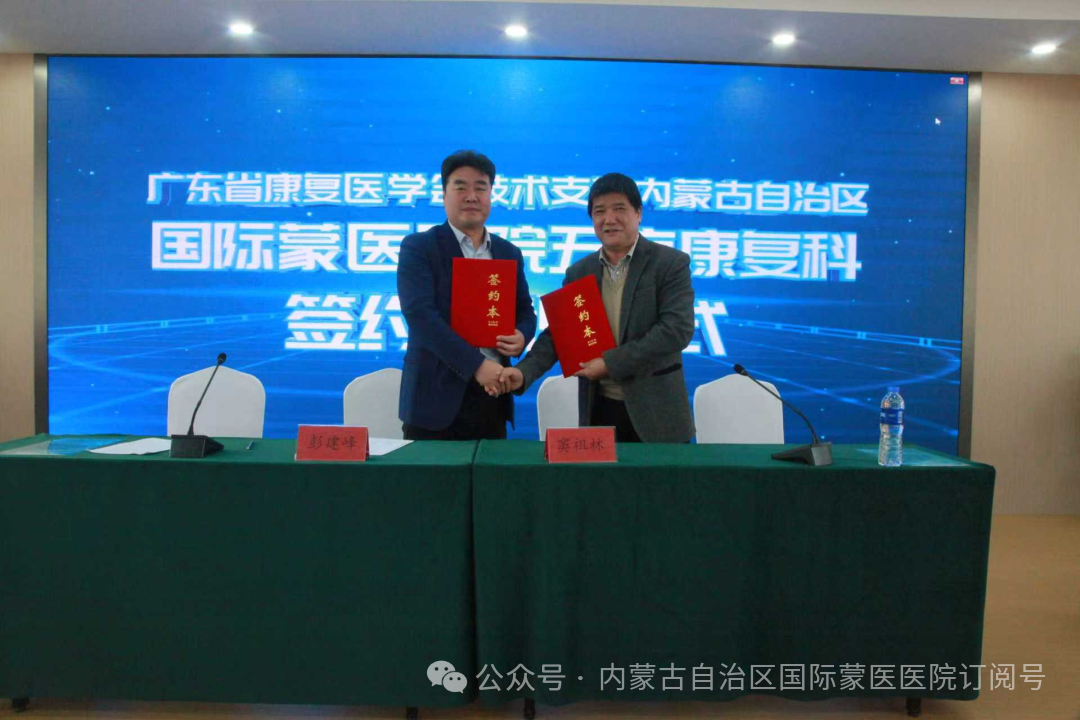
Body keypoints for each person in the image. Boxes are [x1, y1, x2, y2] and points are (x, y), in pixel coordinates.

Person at [497, 172, 695, 443]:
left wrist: (610, 364)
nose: (609, 219)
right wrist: (523, 372)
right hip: (600, 408)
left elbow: (676, 330)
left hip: (658, 413)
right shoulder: (579, 272)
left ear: (638, 213)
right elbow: (560, 335)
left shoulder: (670, 263)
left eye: (619, 208)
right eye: (599, 211)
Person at [396, 150, 536, 440]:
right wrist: (476, 365)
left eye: (480, 188)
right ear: (444, 195)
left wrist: (522, 334)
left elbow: (525, 310)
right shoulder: (419, 247)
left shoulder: (508, 252)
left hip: (493, 394)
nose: (472, 196)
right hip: (434, 401)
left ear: (490, 195)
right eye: (460, 187)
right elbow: (420, 316)